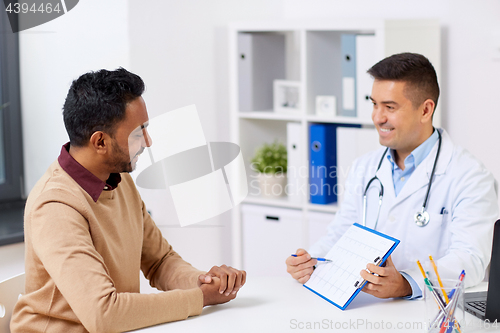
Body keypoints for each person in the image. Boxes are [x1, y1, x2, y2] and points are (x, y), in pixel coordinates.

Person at [10, 68, 246, 332]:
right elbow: (105, 314)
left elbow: (160, 261)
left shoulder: (118, 181)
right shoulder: (55, 207)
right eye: (138, 132)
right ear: (100, 142)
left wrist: (203, 281)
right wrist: (200, 298)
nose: (148, 141)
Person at [286, 53, 498, 299]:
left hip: (432, 312)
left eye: (390, 107)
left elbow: (470, 259)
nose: (378, 117)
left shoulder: (470, 176)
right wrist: (311, 260)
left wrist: (408, 283)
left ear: (426, 110)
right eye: (374, 104)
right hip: (367, 307)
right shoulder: (364, 167)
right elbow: (342, 232)